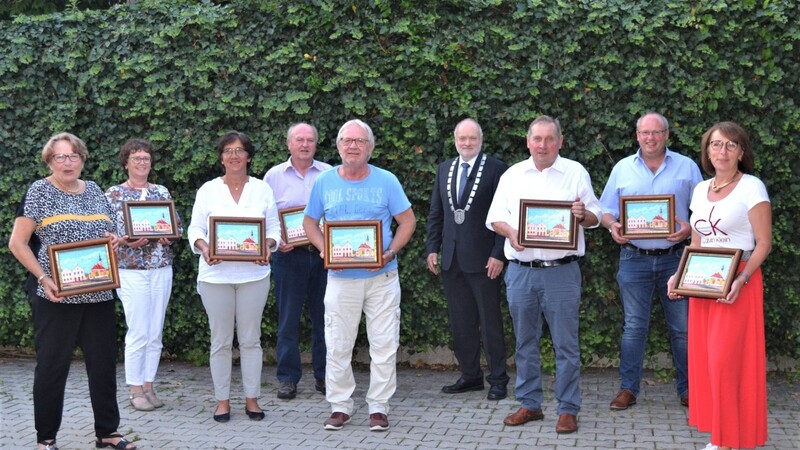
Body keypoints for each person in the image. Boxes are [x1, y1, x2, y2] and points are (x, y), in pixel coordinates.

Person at [8, 133, 136, 450]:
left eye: (73, 156)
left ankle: (107, 432)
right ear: (49, 161)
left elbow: (108, 232)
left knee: (104, 366)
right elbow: (17, 243)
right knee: (52, 368)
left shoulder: (94, 190)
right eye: (60, 157)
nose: (68, 162)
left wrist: (113, 239)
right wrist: (42, 278)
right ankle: (46, 438)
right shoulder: (39, 191)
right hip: (56, 297)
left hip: (99, 295)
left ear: (82, 158)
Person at [486, 116, 601, 434]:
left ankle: (567, 409)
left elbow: (596, 215)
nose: (543, 145)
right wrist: (510, 232)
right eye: (537, 138)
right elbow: (495, 217)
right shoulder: (512, 175)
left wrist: (583, 214)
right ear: (528, 141)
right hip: (521, 273)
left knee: (566, 345)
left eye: (550, 139)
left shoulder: (575, 172)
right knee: (525, 342)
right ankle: (530, 404)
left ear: (560, 141)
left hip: (562, 273)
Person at [303, 119, 416, 432]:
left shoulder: (387, 181)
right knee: (337, 344)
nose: (352, 146)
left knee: (384, 344)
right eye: (346, 141)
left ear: (370, 147)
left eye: (359, 141)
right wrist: (325, 249)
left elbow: (407, 222)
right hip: (340, 280)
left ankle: (379, 407)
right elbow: (310, 223)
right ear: (338, 146)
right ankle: (340, 406)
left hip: (382, 278)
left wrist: (390, 252)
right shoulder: (324, 182)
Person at [668, 122, 771, 450]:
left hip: (738, 282)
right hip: (703, 283)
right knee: (707, 363)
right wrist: (678, 276)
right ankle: (722, 434)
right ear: (707, 151)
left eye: (730, 145)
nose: (722, 151)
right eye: (715, 144)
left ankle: (729, 440)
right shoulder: (701, 190)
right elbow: (697, 243)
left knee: (725, 362)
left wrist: (742, 279)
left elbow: (764, 243)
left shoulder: (752, 188)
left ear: (741, 151)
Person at [598, 112, 703, 410]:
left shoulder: (687, 167)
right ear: (637, 135)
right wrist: (611, 226)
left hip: (676, 259)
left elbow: (704, 211)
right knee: (633, 327)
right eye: (645, 132)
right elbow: (606, 210)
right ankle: (628, 389)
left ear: (667, 135)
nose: (651, 138)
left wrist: (689, 227)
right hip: (634, 259)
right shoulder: (622, 169)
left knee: (682, 328)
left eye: (657, 132)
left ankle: (689, 390)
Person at [187, 131, 281, 423]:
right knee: (221, 341)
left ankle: (252, 399)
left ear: (249, 156)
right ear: (221, 157)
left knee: (251, 340)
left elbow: (274, 229)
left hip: (254, 275)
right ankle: (222, 401)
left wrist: (267, 246)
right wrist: (204, 248)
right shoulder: (207, 190)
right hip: (216, 276)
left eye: (240, 150)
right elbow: (196, 230)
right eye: (228, 150)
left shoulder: (262, 189)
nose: (234, 155)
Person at [425, 118, 510, 400]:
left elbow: (505, 215)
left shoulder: (497, 169)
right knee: (460, 323)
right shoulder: (444, 169)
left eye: (472, 138)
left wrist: (498, 254)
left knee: (490, 323)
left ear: (481, 140)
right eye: (462, 138)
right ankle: (470, 375)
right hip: (451, 259)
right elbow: (436, 213)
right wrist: (432, 248)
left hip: (484, 261)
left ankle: (498, 379)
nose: (467, 143)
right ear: (455, 140)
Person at [105, 138, 182, 411]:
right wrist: (126, 241)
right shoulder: (113, 195)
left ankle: (149, 384)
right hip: (130, 271)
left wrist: (168, 237)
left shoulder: (161, 192)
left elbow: (177, 228)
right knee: (138, 330)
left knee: (155, 331)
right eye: (136, 158)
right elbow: (105, 235)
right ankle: (134, 388)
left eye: (146, 158)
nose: (141, 163)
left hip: (161, 268)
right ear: (125, 162)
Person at [264, 123, 331, 400]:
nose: (304, 145)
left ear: (316, 144)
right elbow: (267, 216)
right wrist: (279, 240)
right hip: (288, 258)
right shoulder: (273, 176)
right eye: (299, 140)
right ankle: (288, 378)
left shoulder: (329, 173)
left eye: (310, 140)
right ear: (288, 144)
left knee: (326, 319)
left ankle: (325, 376)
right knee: (288, 319)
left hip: (324, 257)